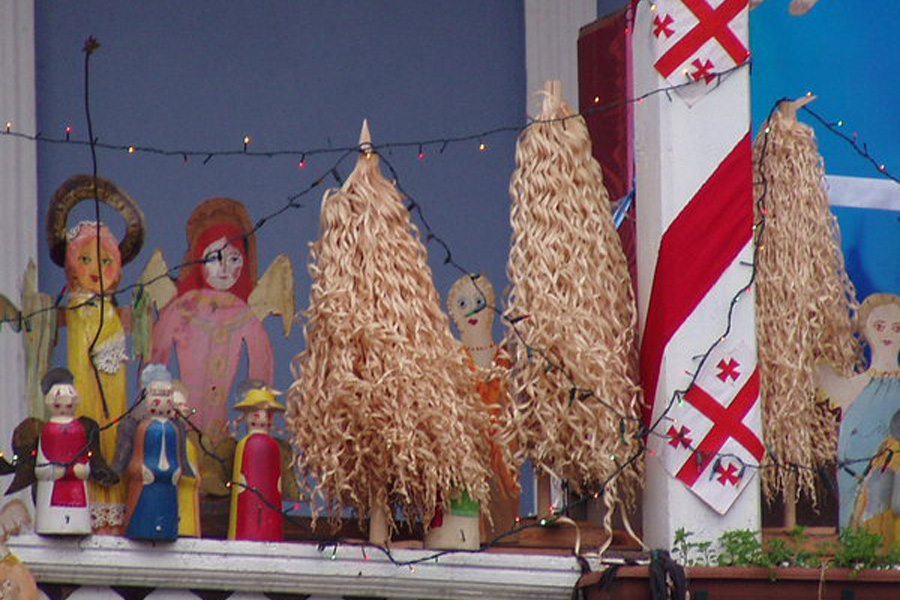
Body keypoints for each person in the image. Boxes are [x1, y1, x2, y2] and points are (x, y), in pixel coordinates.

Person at [150, 198, 274, 457]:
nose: (225, 268)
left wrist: (257, 416)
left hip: (221, 435)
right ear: (199, 258)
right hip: (180, 430)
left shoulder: (244, 315)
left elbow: (261, 368)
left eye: (234, 258)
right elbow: (156, 360)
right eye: (215, 258)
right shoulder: (182, 309)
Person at [817, 293, 900, 529]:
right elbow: (825, 379)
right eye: (880, 327)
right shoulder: (857, 387)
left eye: (897, 328)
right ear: (865, 329)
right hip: (857, 471)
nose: (888, 335)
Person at [124, 364, 182, 541]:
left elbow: (175, 457)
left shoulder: (173, 429)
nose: (162, 400)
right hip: (148, 480)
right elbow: (137, 457)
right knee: (147, 508)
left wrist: (176, 470)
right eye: (157, 395)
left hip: (167, 481)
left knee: (166, 509)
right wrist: (142, 470)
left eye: (166, 396)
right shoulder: (144, 427)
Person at [33, 368, 92, 535]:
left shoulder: (79, 429)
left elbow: (85, 459)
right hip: (52, 490)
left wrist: (82, 469)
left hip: (76, 490)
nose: (64, 409)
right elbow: (41, 466)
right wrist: (52, 471)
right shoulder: (47, 431)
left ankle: (77, 525)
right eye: (58, 405)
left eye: (68, 405)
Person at [228, 383, 284, 541]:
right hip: (246, 517)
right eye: (256, 413)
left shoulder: (272, 446)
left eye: (267, 413)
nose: (262, 417)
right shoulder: (247, 444)